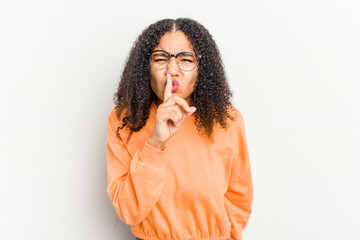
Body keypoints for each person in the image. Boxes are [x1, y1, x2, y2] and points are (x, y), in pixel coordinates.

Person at [106, 18, 253, 240]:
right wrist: (155, 142)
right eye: (160, 59)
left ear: (201, 68)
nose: (171, 70)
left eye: (185, 59)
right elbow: (128, 211)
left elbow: (239, 196)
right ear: (146, 67)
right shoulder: (123, 120)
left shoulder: (228, 120)